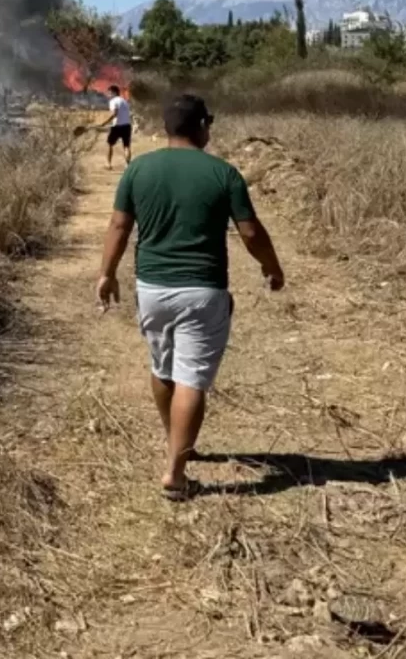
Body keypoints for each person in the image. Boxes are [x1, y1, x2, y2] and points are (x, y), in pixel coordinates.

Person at [96, 93, 285, 500]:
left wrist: (107, 274)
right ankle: (175, 473)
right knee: (192, 379)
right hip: (202, 290)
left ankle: (175, 440)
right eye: (209, 122)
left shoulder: (138, 170)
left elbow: (117, 227)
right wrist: (271, 268)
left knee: (163, 368)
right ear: (201, 125)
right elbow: (250, 232)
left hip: (151, 289)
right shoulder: (223, 173)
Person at [99, 84, 133, 169]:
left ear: (114, 93)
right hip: (127, 126)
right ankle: (128, 165)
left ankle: (108, 164)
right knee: (126, 146)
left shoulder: (113, 101)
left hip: (117, 126)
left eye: (109, 93)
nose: (108, 95)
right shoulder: (124, 101)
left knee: (109, 144)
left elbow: (115, 113)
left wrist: (105, 122)